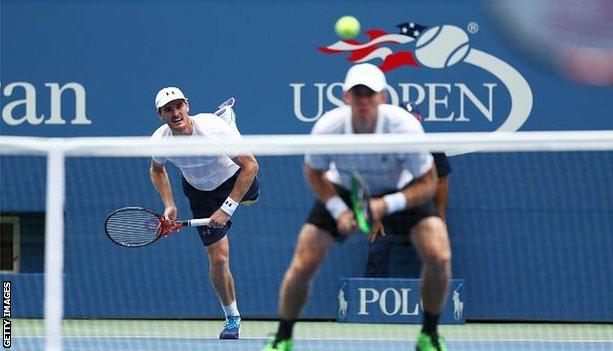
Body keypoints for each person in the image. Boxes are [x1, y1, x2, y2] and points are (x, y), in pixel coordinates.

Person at [263, 64, 451, 351]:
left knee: (439, 256)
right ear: (346, 97)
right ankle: (282, 337)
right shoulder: (329, 127)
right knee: (302, 265)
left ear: (383, 97)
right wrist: (340, 210)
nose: (363, 101)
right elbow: (314, 173)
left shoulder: (404, 127)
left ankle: (429, 334)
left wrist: (386, 205)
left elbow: (428, 181)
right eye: (357, 94)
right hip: (344, 189)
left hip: (400, 191)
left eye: (370, 94)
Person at [150, 87, 259, 339]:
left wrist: (227, 208)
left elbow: (251, 165)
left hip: (233, 174)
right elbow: (157, 171)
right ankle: (232, 317)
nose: (175, 113)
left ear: (187, 105)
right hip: (200, 192)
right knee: (219, 259)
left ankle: (228, 119)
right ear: (160, 115)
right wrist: (169, 204)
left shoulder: (212, 131)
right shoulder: (160, 141)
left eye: (179, 106)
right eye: (168, 109)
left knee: (250, 201)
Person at [364, 101, 452, 278]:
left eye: (415, 121)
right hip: (388, 211)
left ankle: (435, 301)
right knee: (377, 249)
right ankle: (371, 300)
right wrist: (375, 217)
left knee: (437, 252)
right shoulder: (381, 148)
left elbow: (441, 181)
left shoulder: (432, 147)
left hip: (421, 210)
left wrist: (440, 217)